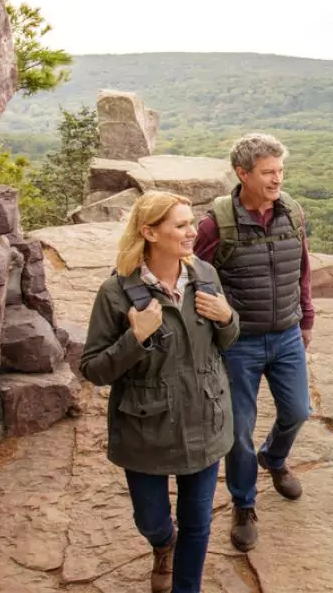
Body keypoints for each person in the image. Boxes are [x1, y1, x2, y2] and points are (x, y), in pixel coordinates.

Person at [80, 191, 238, 593]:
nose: (192, 232)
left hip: (206, 419)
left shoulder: (204, 273)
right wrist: (135, 337)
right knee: (150, 518)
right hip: (146, 427)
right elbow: (93, 369)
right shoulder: (116, 293)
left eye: (192, 222)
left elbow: (226, 339)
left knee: (198, 522)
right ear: (149, 232)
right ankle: (162, 543)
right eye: (181, 225)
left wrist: (228, 318)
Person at [193, 133, 315, 552]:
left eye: (280, 170)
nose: (277, 179)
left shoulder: (293, 213)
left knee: (298, 410)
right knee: (238, 430)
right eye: (268, 172)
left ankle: (275, 459)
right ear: (243, 174)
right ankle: (244, 503)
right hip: (238, 343)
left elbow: (302, 269)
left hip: (286, 336)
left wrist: (307, 318)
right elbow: (197, 281)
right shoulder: (216, 224)